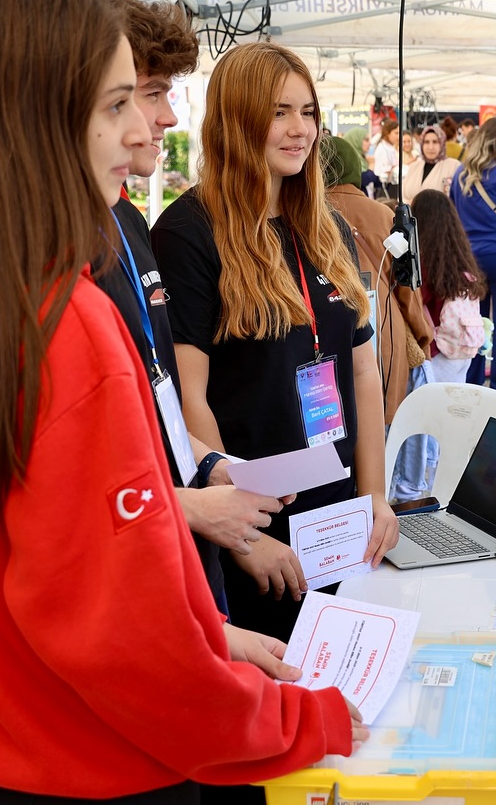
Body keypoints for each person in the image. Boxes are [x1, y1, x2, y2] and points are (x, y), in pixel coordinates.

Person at [0, 0, 364, 804]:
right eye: (117, 104)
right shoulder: (53, 323)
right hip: (86, 759)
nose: (139, 132)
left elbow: (8, 560)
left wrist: (203, 637)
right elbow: (119, 641)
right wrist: (299, 721)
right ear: (30, 117)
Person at [1, 0, 281, 616]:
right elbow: (50, 490)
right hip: (119, 570)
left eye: (147, 94)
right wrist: (187, 504)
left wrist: (207, 468)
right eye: (137, 96)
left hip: (165, 538)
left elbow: (150, 399)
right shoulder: (25, 259)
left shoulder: (123, 218)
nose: (160, 119)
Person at [152, 42, 398, 644]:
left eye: (309, 112)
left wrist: (375, 498)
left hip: (338, 521)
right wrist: (239, 533)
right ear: (237, 119)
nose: (300, 130)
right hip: (257, 534)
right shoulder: (189, 233)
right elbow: (190, 401)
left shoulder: (324, 223)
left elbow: (361, 372)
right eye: (280, 111)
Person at [323, 134, 433, 425]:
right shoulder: (384, 214)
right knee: (379, 426)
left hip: (324, 332)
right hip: (382, 329)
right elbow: (407, 287)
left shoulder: (307, 214)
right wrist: (422, 336)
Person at [451, 117, 496, 403]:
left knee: (474, 324)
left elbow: (453, 219)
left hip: (470, 260)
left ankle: (473, 385)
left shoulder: (460, 174)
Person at [411, 189, 487, 385]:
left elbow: (416, 303)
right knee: (453, 407)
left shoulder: (425, 264)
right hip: (463, 349)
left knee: (432, 408)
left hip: (439, 350)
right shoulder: (460, 258)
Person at [399, 124, 458, 204]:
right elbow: (402, 196)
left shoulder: (453, 166)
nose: (430, 147)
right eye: (426, 142)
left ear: (442, 143)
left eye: (435, 142)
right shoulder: (414, 167)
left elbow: (453, 199)